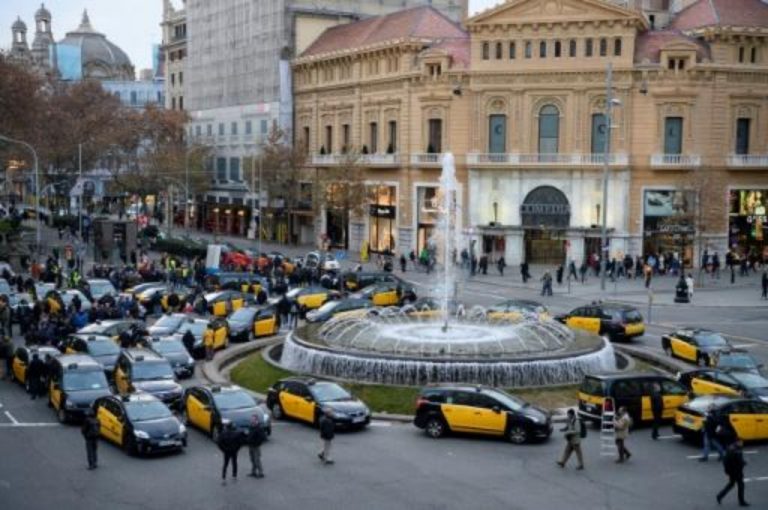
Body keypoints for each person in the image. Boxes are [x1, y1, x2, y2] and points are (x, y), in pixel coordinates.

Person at [717, 439, 749, 506]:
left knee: (731, 484)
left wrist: (727, 471)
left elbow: (725, 461)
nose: (742, 444)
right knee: (741, 486)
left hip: (731, 471)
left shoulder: (730, 448)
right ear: (738, 442)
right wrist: (744, 463)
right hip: (737, 471)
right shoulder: (737, 451)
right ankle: (741, 501)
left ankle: (720, 495)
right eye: (741, 442)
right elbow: (739, 461)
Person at [217, 420, 242, 485]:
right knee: (234, 463)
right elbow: (240, 443)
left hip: (226, 452)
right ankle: (234, 476)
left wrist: (223, 449)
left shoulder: (223, 434)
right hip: (234, 451)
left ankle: (223, 478)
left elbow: (219, 443)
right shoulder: (236, 434)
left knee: (225, 464)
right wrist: (237, 449)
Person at [246, 414, 266, 478]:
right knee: (252, 459)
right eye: (251, 419)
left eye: (253, 419)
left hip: (256, 446)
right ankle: (253, 472)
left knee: (257, 460)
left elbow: (263, 437)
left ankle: (261, 473)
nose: (252, 420)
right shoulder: (251, 427)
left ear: (256, 420)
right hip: (250, 446)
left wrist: (257, 443)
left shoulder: (259, 428)